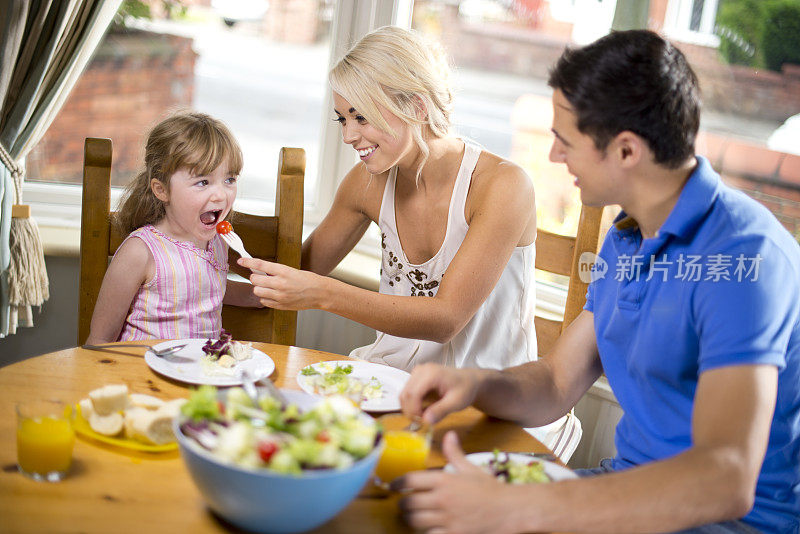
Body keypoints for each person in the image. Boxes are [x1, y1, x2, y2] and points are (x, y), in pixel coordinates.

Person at [395, 29, 800, 534]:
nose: (553, 158)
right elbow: (556, 381)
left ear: (626, 151)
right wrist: (474, 384)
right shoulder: (627, 236)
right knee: (414, 509)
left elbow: (725, 479)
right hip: (626, 487)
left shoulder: (746, 260)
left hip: (727, 523)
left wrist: (518, 509)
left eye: (566, 141)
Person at [239, 26, 539, 372]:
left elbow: (446, 320)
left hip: (489, 400)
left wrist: (323, 293)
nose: (349, 136)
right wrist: (197, 229)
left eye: (361, 117)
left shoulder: (502, 186)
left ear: (417, 106)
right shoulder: (366, 184)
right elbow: (297, 272)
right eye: (343, 119)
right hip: (388, 382)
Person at [86, 111, 261, 343]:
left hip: (202, 370)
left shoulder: (219, 242)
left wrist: (258, 296)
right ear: (162, 190)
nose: (220, 195)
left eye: (229, 179)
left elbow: (207, 289)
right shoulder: (140, 252)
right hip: (141, 372)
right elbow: (99, 341)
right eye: (203, 182)